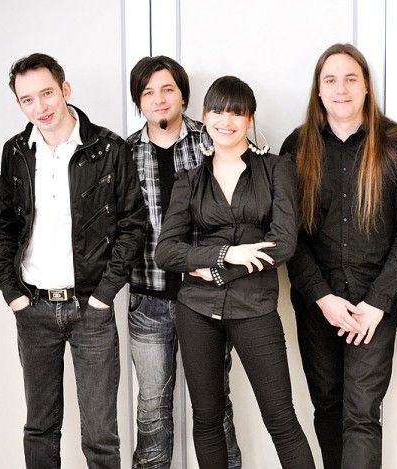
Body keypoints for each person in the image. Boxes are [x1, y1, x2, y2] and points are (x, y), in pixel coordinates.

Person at [0, 53, 147, 468]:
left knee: (100, 436)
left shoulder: (108, 148)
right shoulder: (16, 152)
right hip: (33, 307)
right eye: (27, 99)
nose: (39, 107)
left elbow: (133, 225)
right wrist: (11, 291)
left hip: (90, 309)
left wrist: (104, 295)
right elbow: (5, 225)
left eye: (46, 93)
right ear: (19, 104)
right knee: (40, 429)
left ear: (65, 89)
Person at [155, 76, 314, 469]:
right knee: (207, 418)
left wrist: (218, 270)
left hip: (255, 307)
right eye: (217, 111)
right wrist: (227, 253)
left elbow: (283, 244)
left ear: (249, 118)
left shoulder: (276, 169)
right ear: (204, 115)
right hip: (196, 309)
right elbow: (166, 251)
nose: (225, 121)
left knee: (281, 419)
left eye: (236, 113)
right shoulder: (190, 179)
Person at [281, 43, 397, 469]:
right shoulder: (297, 146)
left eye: (350, 79)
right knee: (327, 406)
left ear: (365, 87)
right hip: (318, 304)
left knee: (361, 414)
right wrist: (322, 297)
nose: (340, 89)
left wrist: (378, 301)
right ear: (318, 90)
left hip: (372, 306)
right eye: (330, 80)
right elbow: (289, 234)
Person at [127, 55, 241, 469]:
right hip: (148, 300)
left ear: (183, 95)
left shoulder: (211, 141)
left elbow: (239, 210)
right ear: (139, 101)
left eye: (167, 89)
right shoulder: (125, 153)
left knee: (215, 406)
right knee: (152, 408)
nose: (159, 99)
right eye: (148, 92)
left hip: (207, 297)